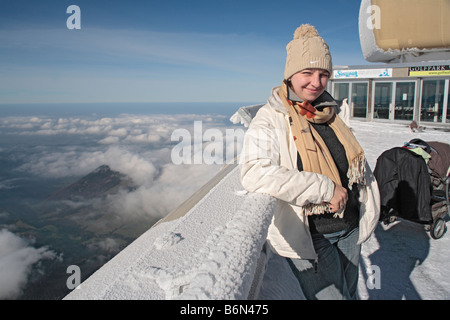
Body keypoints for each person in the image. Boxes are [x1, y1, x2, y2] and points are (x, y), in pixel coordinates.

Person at [239, 24, 380, 300]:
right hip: (313, 237)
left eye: (323, 74)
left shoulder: (329, 111)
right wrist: (324, 188)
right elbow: (254, 172)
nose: (316, 82)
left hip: (350, 225)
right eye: (307, 73)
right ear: (290, 75)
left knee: (350, 294)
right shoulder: (271, 118)